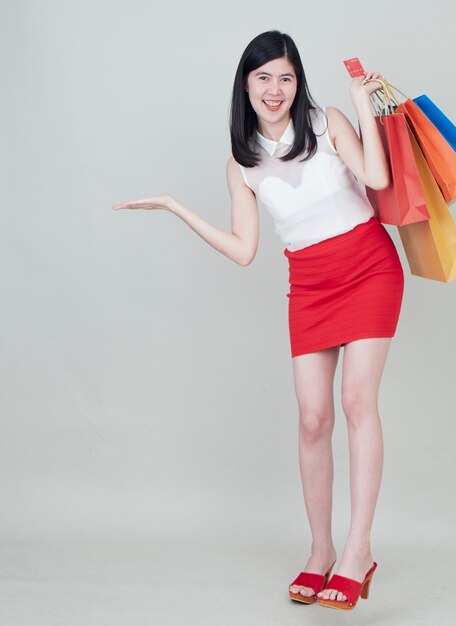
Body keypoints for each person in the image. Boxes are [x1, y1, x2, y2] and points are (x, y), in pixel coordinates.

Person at [112, 30, 404, 611]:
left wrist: (363, 103)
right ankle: (320, 552)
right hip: (311, 285)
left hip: (369, 266)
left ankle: (357, 550)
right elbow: (246, 250)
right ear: (245, 85)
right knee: (312, 418)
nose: (275, 89)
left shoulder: (327, 122)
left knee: (354, 402)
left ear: (299, 84)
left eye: (286, 77)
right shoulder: (242, 164)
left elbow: (377, 180)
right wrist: (175, 207)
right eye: (263, 77)